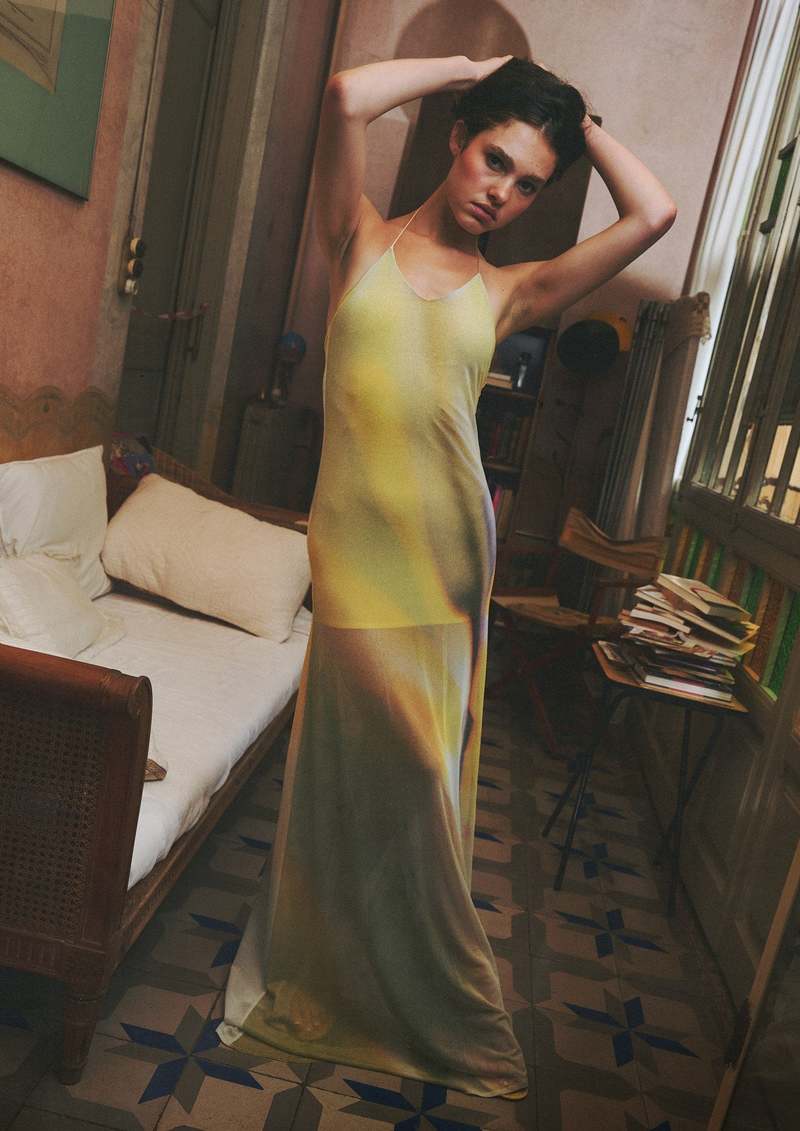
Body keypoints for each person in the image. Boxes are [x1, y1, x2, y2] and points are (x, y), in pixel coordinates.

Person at [217, 55, 676, 1101]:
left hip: (449, 567)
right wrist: (477, 68)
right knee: (354, 771)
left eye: (528, 185)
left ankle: (419, 990)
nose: (502, 194)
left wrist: (578, 121)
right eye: (494, 159)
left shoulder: (511, 289)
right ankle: (337, 968)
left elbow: (653, 213)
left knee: (422, 786)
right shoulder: (357, 239)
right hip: (354, 562)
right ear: (458, 135)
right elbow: (344, 95)